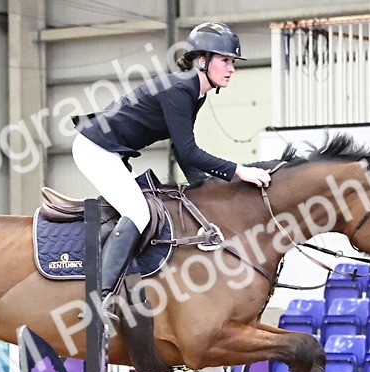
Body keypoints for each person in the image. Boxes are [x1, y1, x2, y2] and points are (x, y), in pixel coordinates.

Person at [72, 22, 271, 298]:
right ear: (203, 60)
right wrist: (239, 171)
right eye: (225, 60)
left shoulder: (195, 92)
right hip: (95, 149)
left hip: (111, 152)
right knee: (139, 213)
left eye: (233, 62)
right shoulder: (181, 90)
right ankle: (101, 296)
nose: (231, 69)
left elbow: (181, 150)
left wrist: (203, 190)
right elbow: (189, 152)